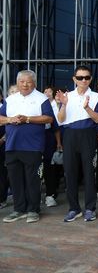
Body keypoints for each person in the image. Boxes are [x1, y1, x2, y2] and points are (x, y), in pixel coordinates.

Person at [0, 70, 54, 223]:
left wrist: (28, 119)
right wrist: (10, 119)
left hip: (33, 147)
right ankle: (18, 209)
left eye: (28, 81)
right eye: (22, 81)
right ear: (17, 83)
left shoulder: (41, 98)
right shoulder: (10, 99)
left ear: (34, 83)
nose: (25, 84)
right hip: (12, 146)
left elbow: (49, 118)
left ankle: (33, 210)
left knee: (32, 179)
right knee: (15, 179)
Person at [57, 65, 98, 222]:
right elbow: (61, 119)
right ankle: (74, 208)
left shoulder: (96, 97)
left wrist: (87, 107)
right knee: (70, 172)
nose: (83, 80)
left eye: (86, 77)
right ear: (74, 79)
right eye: (80, 77)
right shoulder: (66, 96)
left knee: (89, 172)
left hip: (88, 134)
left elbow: (97, 119)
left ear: (90, 79)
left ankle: (90, 208)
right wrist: (63, 104)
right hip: (70, 134)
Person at [42, 85, 62, 208]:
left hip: (48, 142)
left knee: (49, 169)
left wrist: (59, 143)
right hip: (31, 144)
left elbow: (56, 129)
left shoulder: (47, 108)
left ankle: (50, 195)